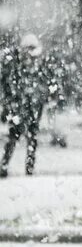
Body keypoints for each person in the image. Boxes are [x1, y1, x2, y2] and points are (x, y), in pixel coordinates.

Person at [1, 34, 53, 178]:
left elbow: (45, 84)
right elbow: (8, 86)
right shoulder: (16, 66)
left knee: (31, 138)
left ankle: (26, 167)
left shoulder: (36, 66)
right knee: (16, 138)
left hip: (31, 107)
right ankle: (6, 165)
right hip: (21, 107)